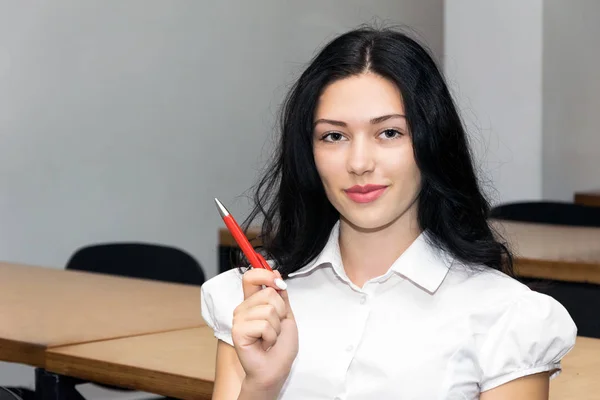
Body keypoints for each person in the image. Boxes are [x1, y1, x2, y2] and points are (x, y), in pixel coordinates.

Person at [201, 26, 577, 400]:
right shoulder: (257, 302)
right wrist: (262, 385)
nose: (359, 163)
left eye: (390, 133)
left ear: (431, 141)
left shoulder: (507, 317)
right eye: (334, 136)